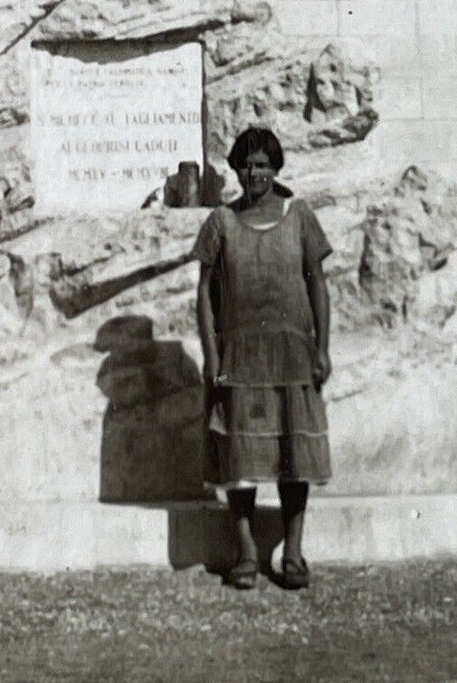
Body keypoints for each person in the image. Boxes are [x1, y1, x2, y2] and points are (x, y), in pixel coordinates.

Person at [192, 126, 333, 590]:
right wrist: (212, 356)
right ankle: (247, 551)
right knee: (240, 457)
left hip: (292, 355)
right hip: (240, 357)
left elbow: (316, 282)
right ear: (235, 169)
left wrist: (323, 348)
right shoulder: (221, 223)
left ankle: (292, 551)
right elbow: (205, 296)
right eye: (247, 165)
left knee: (294, 454)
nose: (255, 173)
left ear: (277, 168)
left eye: (263, 165)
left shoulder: (299, 217)